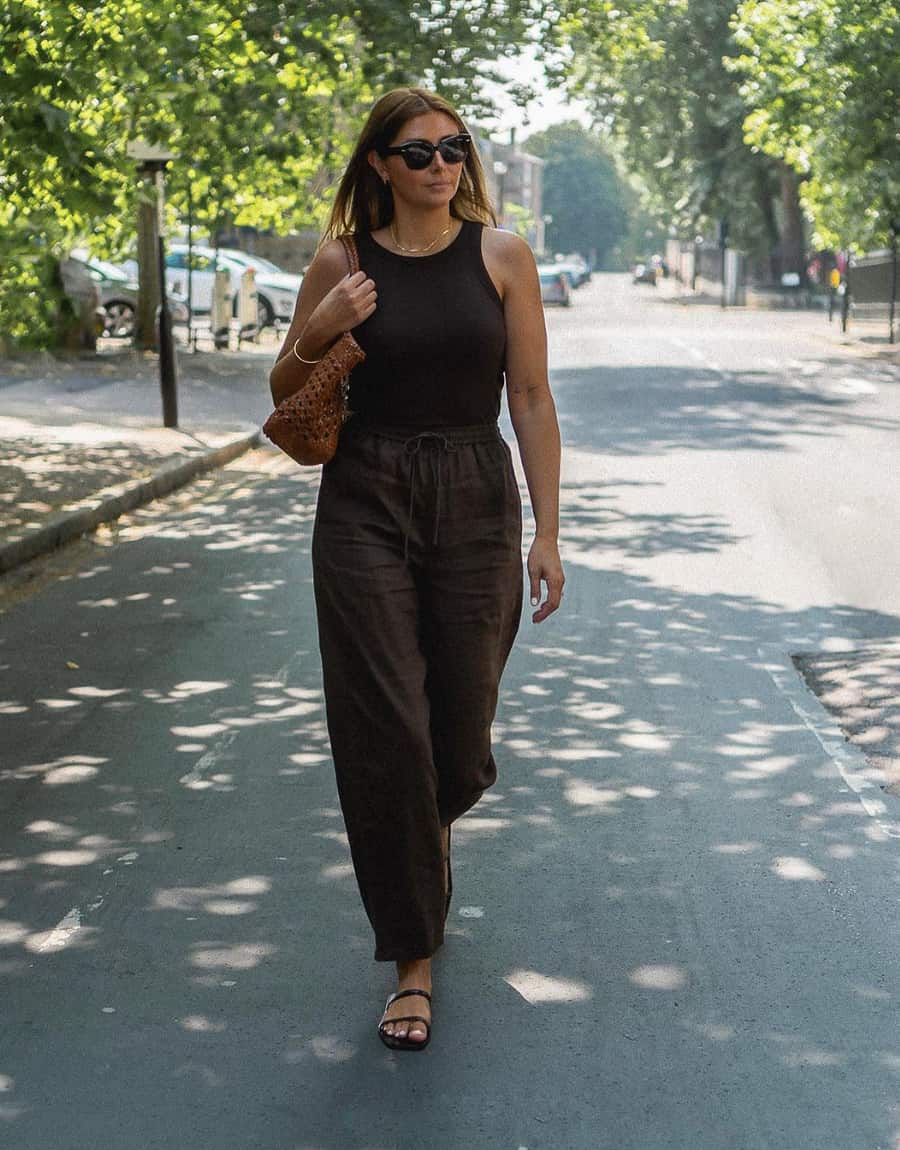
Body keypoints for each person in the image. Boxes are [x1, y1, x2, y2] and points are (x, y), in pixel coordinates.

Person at [269, 87, 564, 1051]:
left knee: (459, 725)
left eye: (454, 149)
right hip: (366, 493)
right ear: (380, 168)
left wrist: (547, 531)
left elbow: (528, 395)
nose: (441, 166)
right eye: (419, 152)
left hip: (476, 493)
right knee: (384, 720)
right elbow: (284, 385)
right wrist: (324, 323)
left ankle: (427, 823)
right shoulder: (342, 261)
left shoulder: (502, 256)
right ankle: (412, 959)